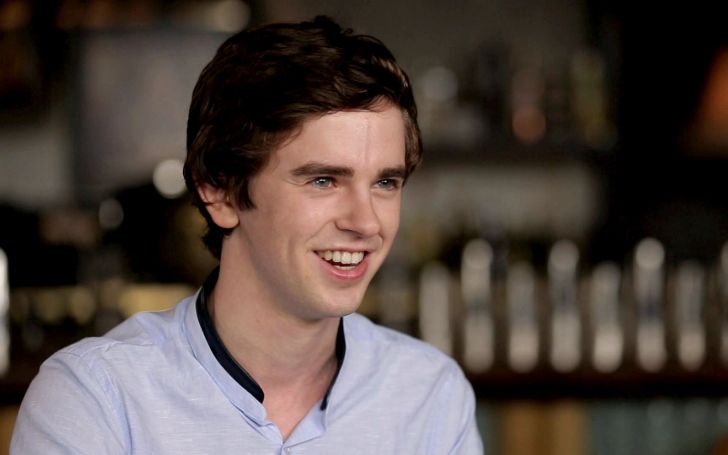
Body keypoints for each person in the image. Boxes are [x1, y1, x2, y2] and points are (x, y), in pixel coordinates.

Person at [11, 16, 483, 454]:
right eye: (323, 180)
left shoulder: (430, 397)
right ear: (219, 191)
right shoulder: (96, 400)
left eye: (386, 183)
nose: (366, 223)